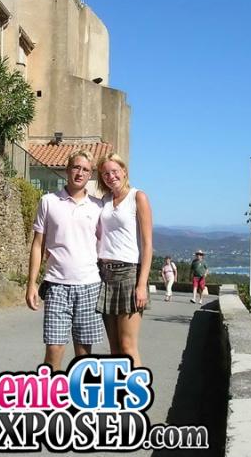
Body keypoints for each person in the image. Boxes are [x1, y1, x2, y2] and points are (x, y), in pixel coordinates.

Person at [26, 151, 104, 371]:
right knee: (53, 350)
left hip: (89, 286)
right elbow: (38, 245)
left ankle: (80, 392)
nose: (80, 173)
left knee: (84, 355)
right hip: (56, 285)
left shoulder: (98, 206)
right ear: (68, 170)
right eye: (76, 167)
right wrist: (31, 283)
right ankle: (52, 391)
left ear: (90, 174)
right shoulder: (48, 202)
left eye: (85, 169)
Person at [96, 152, 153, 367]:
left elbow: (147, 244)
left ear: (124, 171)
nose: (111, 177)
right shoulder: (104, 201)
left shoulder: (138, 197)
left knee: (128, 346)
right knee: (114, 348)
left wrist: (142, 284)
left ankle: (137, 387)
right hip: (105, 275)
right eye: (105, 174)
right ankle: (118, 386)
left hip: (129, 273)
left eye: (114, 171)